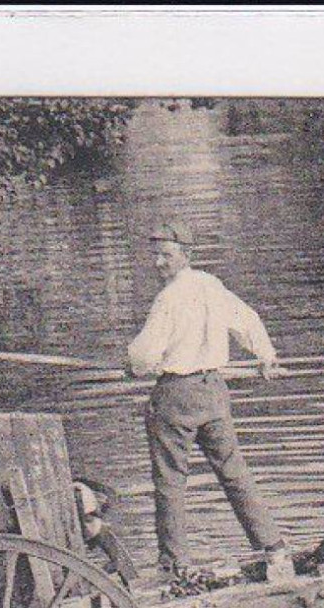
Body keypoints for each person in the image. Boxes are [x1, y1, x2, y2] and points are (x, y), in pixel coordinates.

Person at [125, 220, 295, 583]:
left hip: (177, 395)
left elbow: (142, 356)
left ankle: (175, 565)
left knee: (170, 481)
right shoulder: (212, 286)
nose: (159, 263)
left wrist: (133, 366)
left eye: (166, 256)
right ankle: (274, 548)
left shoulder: (168, 299)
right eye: (155, 256)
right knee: (234, 472)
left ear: (186, 256)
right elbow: (247, 321)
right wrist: (266, 356)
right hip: (214, 392)